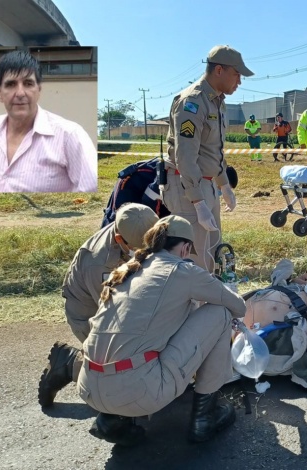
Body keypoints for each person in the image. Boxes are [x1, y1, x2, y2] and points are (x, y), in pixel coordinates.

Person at [78, 215, 247, 446]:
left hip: (89, 387)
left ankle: (114, 418)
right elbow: (239, 306)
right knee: (221, 312)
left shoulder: (127, 269)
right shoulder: (182, 270)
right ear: (186, 247)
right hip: (140, 392)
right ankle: (204, 417)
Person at [37, 203, 159, 409]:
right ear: (120, 239)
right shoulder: (100, 263)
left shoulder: (132, 227)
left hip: (114, 305)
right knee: (125, 367)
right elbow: (111, 314)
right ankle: (69, 365)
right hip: (90, 315)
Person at [162, 45, 252, 273]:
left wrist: (224, 185)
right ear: (219, 70)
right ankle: (192, 306)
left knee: (211, 253)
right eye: (237, 74)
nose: (239, 82)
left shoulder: (217, 101)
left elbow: (214, 151)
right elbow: (186, 155)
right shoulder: (192, 102)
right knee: (194, 260)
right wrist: (198, 202)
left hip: (208, 184)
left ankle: (207, 305)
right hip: (188, 188)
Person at [0, 50, 97, 193]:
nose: (20, 93)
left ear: (39, 90)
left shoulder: (68, 135)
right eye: (11, 84)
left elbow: (91, 189)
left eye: (28, 83)